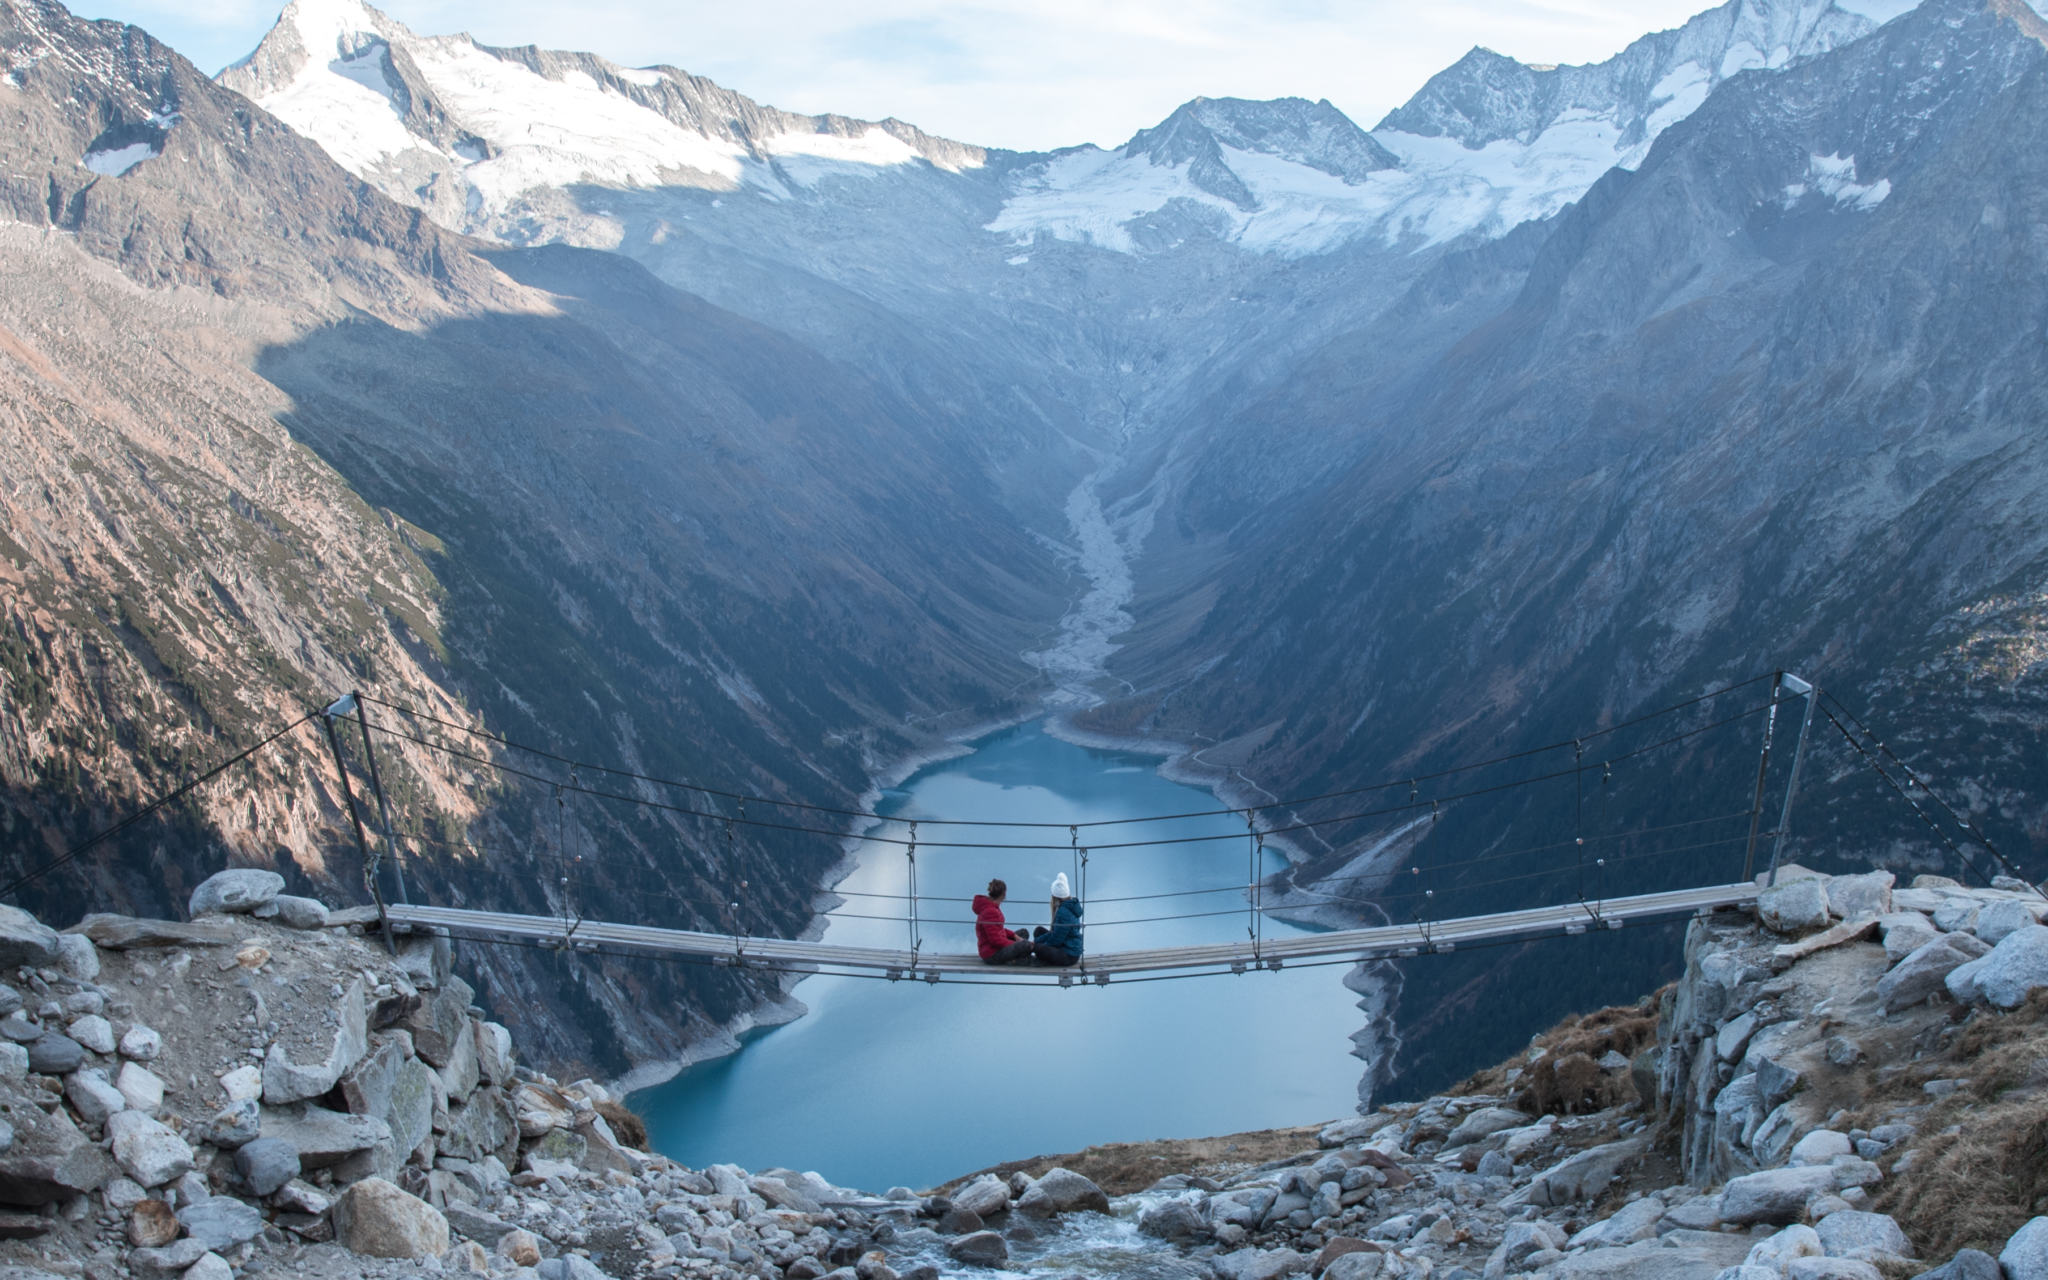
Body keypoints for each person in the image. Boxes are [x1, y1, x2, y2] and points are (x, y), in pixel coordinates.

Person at [973, 879, 1034, 965]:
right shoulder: (990, 911)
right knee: (1025, 945)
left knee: (1023, 933)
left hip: (993, 948)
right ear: (1004, 894)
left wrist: (1014, 935)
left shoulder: (990, 906)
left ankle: (1016, 957)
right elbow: (995, 940)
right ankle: (1019, 960)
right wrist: (1016, 944)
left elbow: (998, 929)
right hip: (992, 954)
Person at [1033, 872, 1083, 967]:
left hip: (1069, 955)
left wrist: (1037, 945)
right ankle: (1044, 956)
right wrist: (1037, 941)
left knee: (1037, 948)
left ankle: (1044, 960)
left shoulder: (1063, 912)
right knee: (1038, 931)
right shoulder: (1070, 905)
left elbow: (1056, 939)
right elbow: (1054, 933)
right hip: (1067, 946)